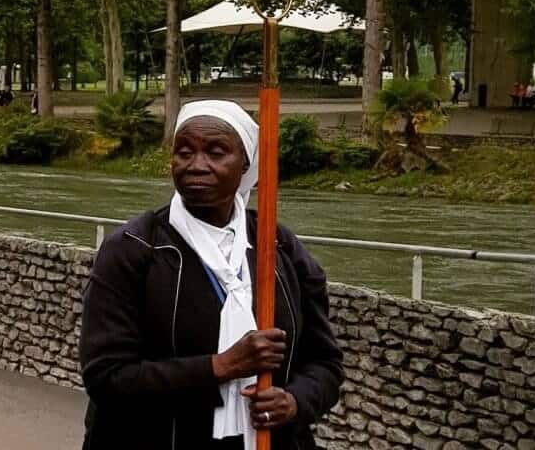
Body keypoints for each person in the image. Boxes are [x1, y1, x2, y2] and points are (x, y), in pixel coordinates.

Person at [79, 100, 343, 449]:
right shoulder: (134, 249)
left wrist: (295, 401)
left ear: (246, 163)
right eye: (184, 152)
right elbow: (106, 376)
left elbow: (325, 363)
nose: (196, 165)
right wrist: (220, 366)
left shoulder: (278, 247)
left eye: (216, 152)